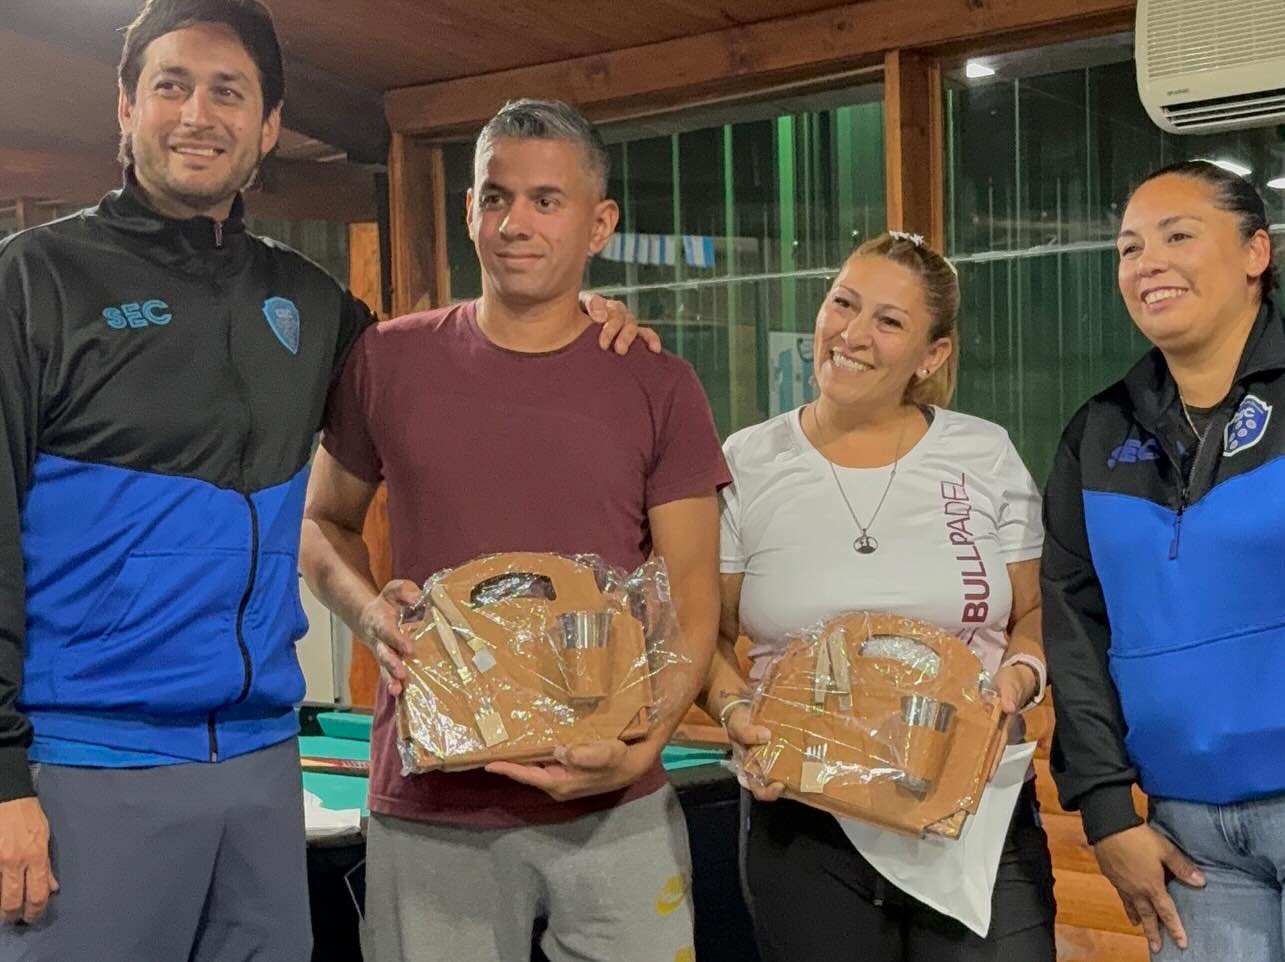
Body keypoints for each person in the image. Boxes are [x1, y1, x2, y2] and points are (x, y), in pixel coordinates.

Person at [0, 2, 649, 957]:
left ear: (267, 127)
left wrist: (570, 311)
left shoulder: (305, 302)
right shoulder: (31, 282)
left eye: (229, 92)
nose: (198, 114)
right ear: (127, 107)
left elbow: (445, 365)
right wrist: (3, 779)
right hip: (84, 764)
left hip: (263, 765)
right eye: (172, 86)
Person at [299, 98, 730, 962]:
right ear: (469, 210)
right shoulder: (387, 359)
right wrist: (368, 613)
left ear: (599, 223)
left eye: (546, 200)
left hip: (617, 805)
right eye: (495, 197)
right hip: (430, 806)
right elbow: (321, 523)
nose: (514, 223)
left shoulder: (657, 382)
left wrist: (642, 746)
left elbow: (691, 601)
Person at [1041, 160, 1285, 961]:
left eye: (1178, 236)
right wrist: (1106, 809)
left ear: (1257, 251)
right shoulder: (1097, 433)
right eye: (1129, 248)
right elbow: (1074, 627)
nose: (1147, 263)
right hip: (1187, 842)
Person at [699, 232, 1057, 961]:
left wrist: (1019, 678)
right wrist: (737, 716)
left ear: (933, 354)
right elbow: (705, 633)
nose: (852, 333)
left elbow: (1036, 610)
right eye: (843, 304)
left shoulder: (983, 452)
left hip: (974, 813)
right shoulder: (749, 461)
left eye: (889, 321)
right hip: (805, 825)